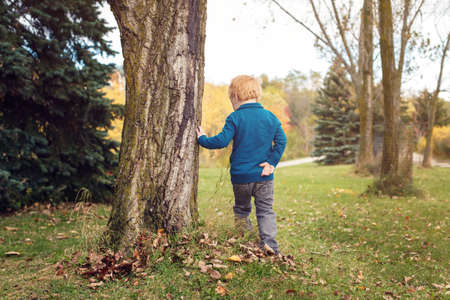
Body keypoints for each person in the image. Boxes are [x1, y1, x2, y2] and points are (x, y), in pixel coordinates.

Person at [197, 75, 287, 255]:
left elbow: (221, 141)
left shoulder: (235, 117)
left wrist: (202, 138)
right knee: (266, 211)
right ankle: (270, 247)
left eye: (231, 98)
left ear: (236, 96)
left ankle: (244, 240)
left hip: (241, 177)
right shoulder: (270, 117)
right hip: (264, 175)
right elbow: (281, 141)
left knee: (242, 209)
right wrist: (271, 163)